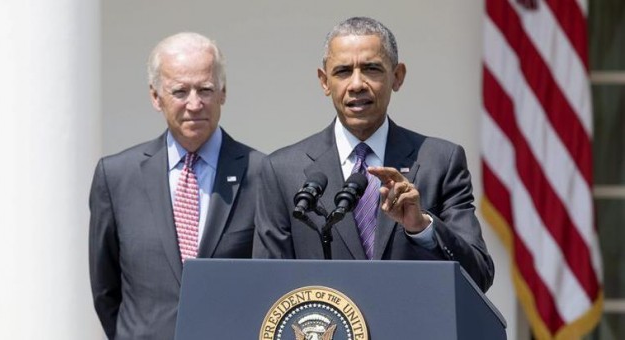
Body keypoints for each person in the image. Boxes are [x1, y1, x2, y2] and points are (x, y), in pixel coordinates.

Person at [252, 17, 494, 292]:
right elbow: (267, 286)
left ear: (397, 76)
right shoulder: (282, 170)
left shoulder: (440, 161)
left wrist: (422, 227)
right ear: (324, 81)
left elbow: (479, 275)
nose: (356, 84)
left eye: (371, 69)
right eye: (343, 71)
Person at [89, 32, 264, 339]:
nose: (194, 104)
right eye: (180, 91)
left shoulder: (261, 173)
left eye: (205, 89)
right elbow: (106, 290)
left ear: (223, 92)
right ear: (156, 97)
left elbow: (270, 278)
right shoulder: (116, 176)